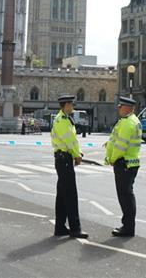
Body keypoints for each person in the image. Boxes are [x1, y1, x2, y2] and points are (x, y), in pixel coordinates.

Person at [51, 94, 88, 239]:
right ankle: (75, 228)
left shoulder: (64, 119)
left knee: (62, 195)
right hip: (64, 159)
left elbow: (71, 140)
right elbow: (70, 141)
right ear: (66, 105)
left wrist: (77, 153)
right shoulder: (62, 120)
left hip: (63, 159)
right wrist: (77, 155)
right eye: (72, 104)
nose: (73, 106)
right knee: (71, 195)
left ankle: (60, 227)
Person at [105, 95, 142, 237]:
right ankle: (128, 226)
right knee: (127, 195)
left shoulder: (127, 123)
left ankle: (128, 227)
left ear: (127, 108)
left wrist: (112, 159)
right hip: (130, 163)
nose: (118, 108)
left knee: (125, 196)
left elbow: (121, 145)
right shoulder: (133, 120)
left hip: (124, 163)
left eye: (120, 106)